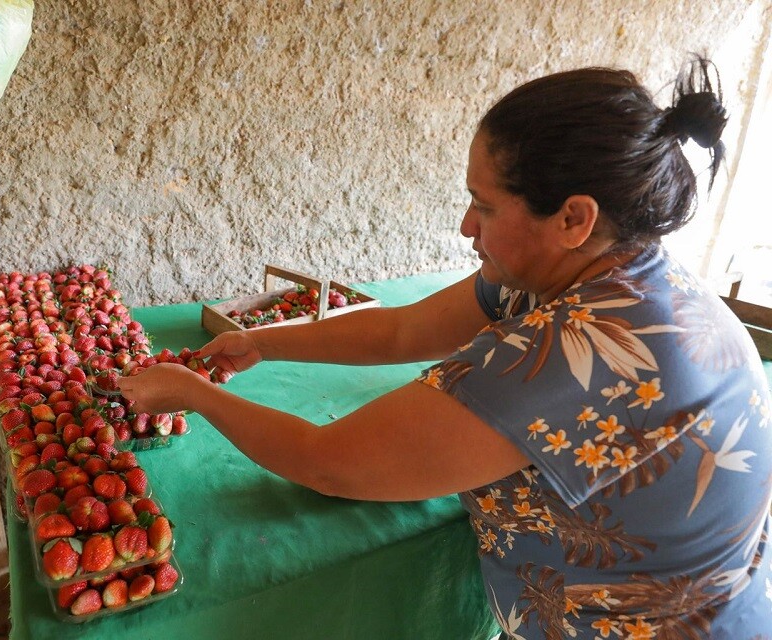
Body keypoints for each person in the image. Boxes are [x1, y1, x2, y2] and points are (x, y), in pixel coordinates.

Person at [118, 57, 772, 639]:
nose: (466, 227)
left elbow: (329, 464)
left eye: (483, 206)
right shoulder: (613, 267)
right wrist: (264, 342)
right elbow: (401, 330)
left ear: (573, 218)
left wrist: (193, 394)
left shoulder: (579, 352)